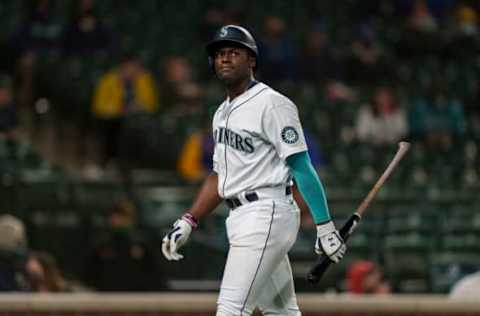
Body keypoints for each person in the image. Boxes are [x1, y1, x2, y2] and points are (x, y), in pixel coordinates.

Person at [162, 25, 346, 316]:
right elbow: (220, 176)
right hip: (242, 217)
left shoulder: (272, 104)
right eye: (220, 53)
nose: (224, 58)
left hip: (266, 213)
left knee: (231, 310)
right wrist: (189, 220)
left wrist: (325, 225)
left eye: (234, 52)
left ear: (252, 61)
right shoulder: (221, 112)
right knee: (281, 312)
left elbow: (301, 166)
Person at [92, 53, 159, 167]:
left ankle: (140, 163)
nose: (133, 71)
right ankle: (110, 162)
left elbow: (152, 104)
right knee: (114, 127)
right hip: (113, 119)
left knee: (143, 125)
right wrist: (119, 108)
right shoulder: (108, 80)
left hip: (137, 119)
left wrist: (138, 106)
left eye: (136, 67)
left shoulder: (144, 80)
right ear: (123, 67)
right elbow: (99, 107)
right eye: (130, 67)